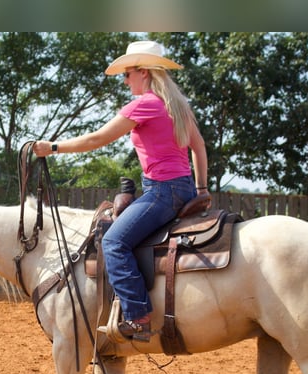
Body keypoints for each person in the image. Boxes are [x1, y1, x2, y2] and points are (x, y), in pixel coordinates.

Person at [33, 40, 209, 342]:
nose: (125, 80)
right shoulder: (177, 107)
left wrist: (53, 148)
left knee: (113, 242)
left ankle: (138, 316)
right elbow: (200, 147)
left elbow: (97, 139)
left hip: (162, 192)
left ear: (143, 72)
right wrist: (202, 188)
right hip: (183, 189)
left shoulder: (144, 105)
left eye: (128, 73)